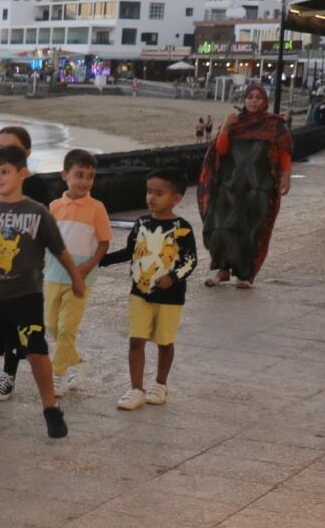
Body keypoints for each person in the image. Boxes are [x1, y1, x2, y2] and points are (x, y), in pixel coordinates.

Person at [0, 144, 84, 438]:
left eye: (5, 172)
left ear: (23, 173)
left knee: (35, 352)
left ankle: (50, 407)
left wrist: (76, 279)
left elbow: (59, 250)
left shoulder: (37, 213)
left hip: (26, 296)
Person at [103, 169, 197, 410]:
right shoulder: (141, 223)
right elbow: (129, 252)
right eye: (149, 191)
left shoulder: (182, 228)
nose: (151, 198)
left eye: (159, 193)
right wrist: (101, 259)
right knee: (136, 340)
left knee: (164, 342)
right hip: (139, 294)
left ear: (175, 198)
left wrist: (173, 278)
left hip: (171, 298)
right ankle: (136, 389)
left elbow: (190, 261)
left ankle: (160, 384)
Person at [0, 126, 53, 401]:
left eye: (11, 148)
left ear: (27, 153)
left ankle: (9, 372)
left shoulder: (36, 185)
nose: (2, 153)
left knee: (20, 325)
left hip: (24, 268)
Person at [200, 82, 293, 290]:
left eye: (258, 97)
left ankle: (246, 274)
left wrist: (286, 177)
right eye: (249, 97)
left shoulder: (274, 124)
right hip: (230, 185)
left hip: (261, 186)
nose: (253, 101)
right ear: (244, 100)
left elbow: (284, 153)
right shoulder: (234, 122)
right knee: (221, 227)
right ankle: (222, 270)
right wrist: (225, 126)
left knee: (253, 230)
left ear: (264, 101)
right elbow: (221, 151)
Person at [43, 149, 110, 394]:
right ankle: (78, 363)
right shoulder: (54, 206)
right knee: (51, 325)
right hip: (53, 275)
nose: (84, 182)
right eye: (79, 175)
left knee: (66, 328)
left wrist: (89, 266)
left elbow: (104, 242)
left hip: (81, 279)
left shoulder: (97, 208)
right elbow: (48, 239)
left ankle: (58, 373)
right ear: (65, 175)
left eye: (90, 176)